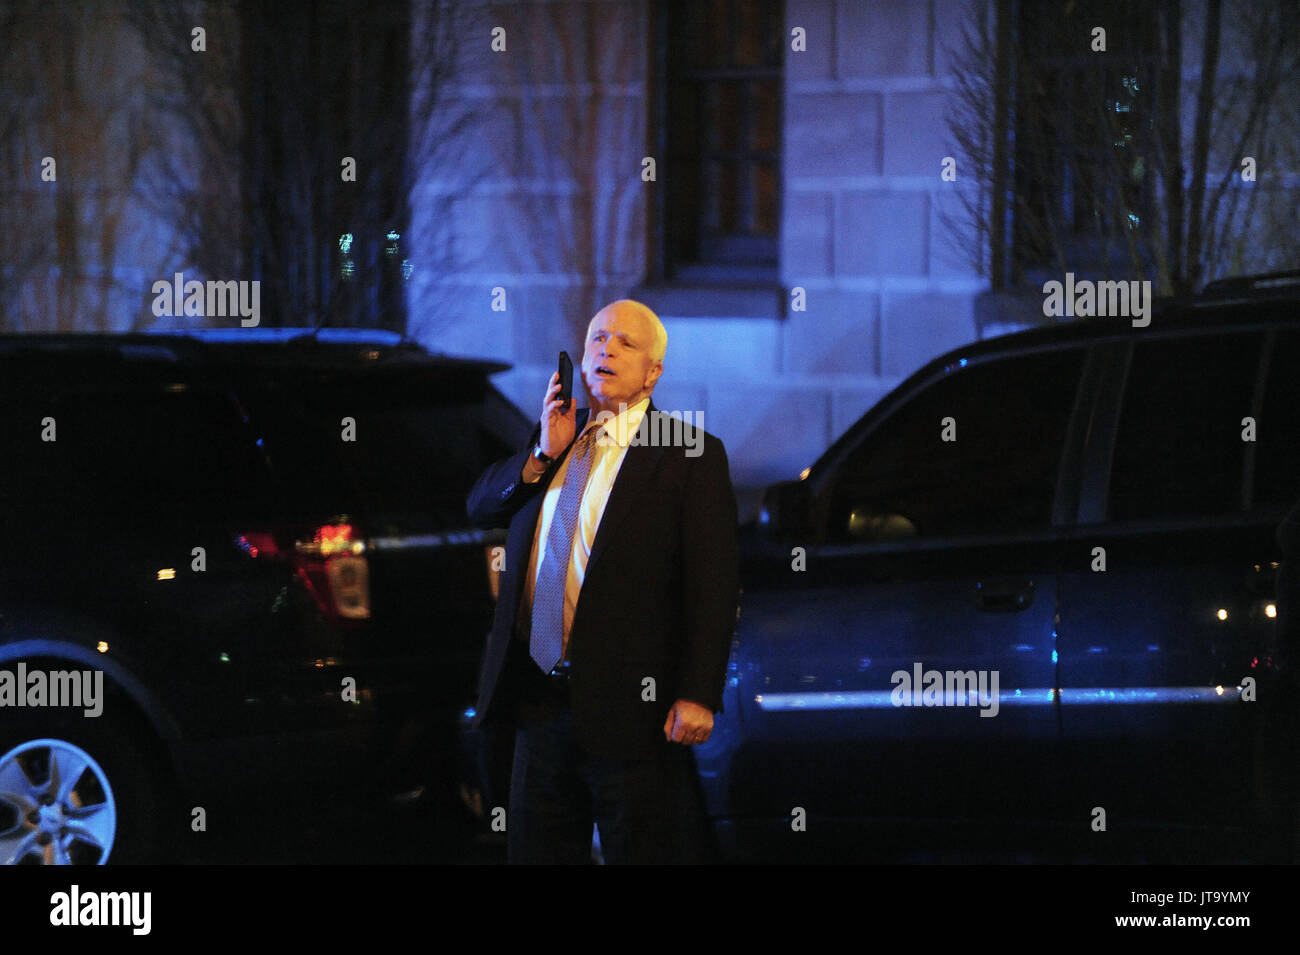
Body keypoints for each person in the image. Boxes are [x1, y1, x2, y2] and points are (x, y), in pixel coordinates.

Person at [465, 299, 739, 864]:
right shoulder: (556, 439)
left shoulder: (689, 455)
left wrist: (697, 694)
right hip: (539, 700)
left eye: (625, 344)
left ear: (653, 372)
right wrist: (543, 450)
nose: (606, 350)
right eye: (597, 339)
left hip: (633, 714)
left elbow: (712, 584)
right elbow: (480, 505)